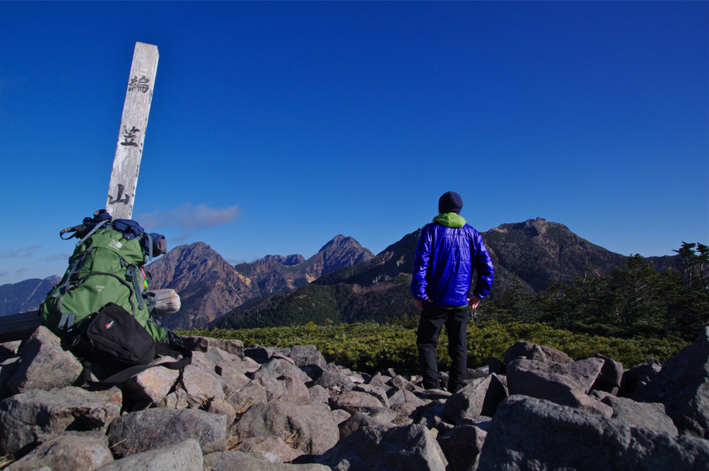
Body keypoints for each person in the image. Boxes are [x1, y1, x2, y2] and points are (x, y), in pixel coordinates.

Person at [410, 191, 494, 393]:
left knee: (427, 344)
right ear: (459, 210)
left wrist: (419, 295)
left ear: (440, 209)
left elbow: (421, 264)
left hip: (434, 301)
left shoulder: (430, 231)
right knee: (458, 346)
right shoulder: (472, 233)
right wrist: (479, 294)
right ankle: (457, 388)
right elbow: (487, 267)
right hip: (461, 302)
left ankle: (432, 388)